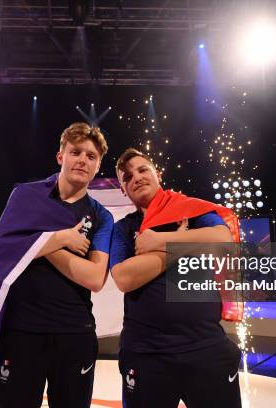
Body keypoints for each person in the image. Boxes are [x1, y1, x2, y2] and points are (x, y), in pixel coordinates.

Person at [0, 123, 113, 408]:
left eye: (91, 156)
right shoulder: (25, 196)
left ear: (98, 165)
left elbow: (95, 278)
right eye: (75, 152)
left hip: (75, 334)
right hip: (21, 333)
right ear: (60, 156)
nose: (82, 160)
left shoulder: (102, 217)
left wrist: (38, 242)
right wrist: (59, 237)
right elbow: (1, 249)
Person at [110, 148, 243, 408]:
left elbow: (223, 240)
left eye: (142, 169)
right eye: (126, 177)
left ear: (157, 174)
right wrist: (187, 244)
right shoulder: (123, 228)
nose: (135, 177)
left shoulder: (191, 210)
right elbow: (125, 278)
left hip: (207, 349)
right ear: (123, 190)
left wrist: (160, 240)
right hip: (146, 354)